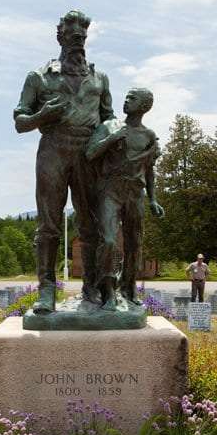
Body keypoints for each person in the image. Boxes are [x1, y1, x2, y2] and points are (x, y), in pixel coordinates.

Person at [13, 9, 115, 313]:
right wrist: (42, 116)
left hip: (89, 153)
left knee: (91, 225)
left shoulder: (100, 78)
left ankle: (91, 290)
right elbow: (20, 120)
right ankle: (46, 290)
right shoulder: (38, 76)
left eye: (82, 37)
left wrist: (112, 136)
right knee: (48, 225)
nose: (77, 42)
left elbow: (109, 117)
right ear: (60, 38)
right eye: (72, 37)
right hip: (53, 150)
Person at [86, 88, 164, 310]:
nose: (127, 101)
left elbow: (149, 169)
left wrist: (153, 199)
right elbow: (90, 153)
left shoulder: (148, 136)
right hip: (111, 188)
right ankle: (107, 290)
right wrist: (111, 139)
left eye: (132, 98)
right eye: (126, 96)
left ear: (144, 106)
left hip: (135, 192)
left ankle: (129, 289)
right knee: (109, 240)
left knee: (135, 243)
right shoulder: (110, 126)